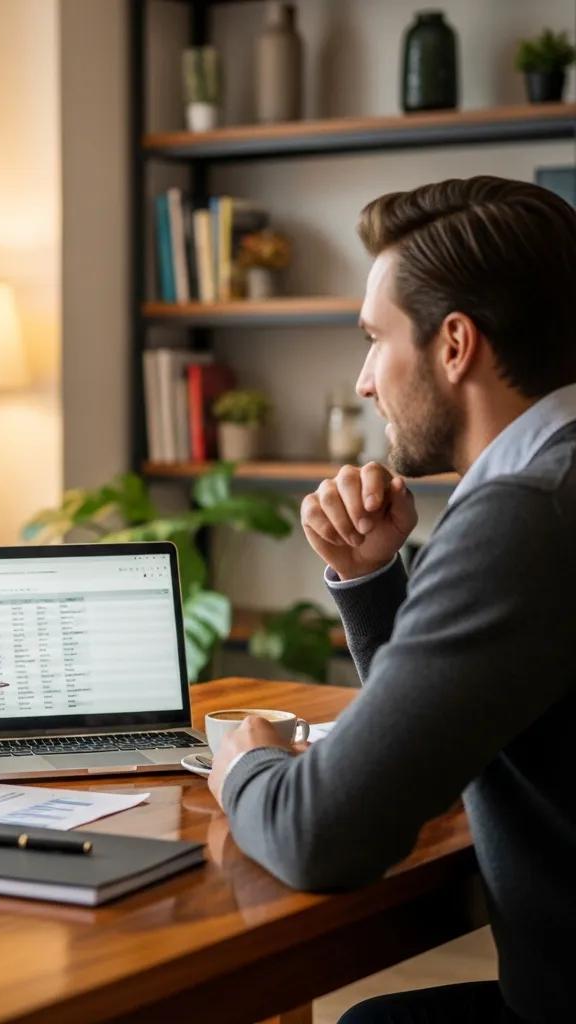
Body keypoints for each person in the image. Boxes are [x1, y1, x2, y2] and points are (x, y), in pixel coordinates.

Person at [207, 176, 576, 1023]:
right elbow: (446, 743)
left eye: (376, 339)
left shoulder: (525, 512)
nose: (366, 380)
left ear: (454, 346)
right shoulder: (554, 482)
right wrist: (377, 583)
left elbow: (323, 836)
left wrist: (245, 764)